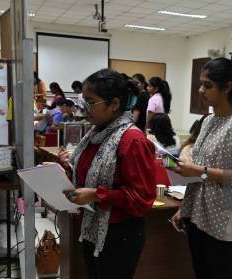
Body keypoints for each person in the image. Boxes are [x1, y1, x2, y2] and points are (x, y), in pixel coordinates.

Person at [170, 58, 232, 279]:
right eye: (201, 84)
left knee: (219, 272)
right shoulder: (208, 120)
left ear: (227, 87)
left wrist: (198, 170)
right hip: (197, 212)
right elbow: (198, 171)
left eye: (208, 85)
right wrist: (184, 207)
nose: (201, 90)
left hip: (222, 214)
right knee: (201, 271)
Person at [60, 69, 156, 279]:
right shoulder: (95, 133)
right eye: (83, 100)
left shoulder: (132, 140)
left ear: (113, 104)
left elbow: (142, 199)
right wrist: (62, 170)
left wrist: (96, 194)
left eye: (90, 102)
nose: (84, 108)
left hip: (120, 235)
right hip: (93, 228)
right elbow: (85, 172)